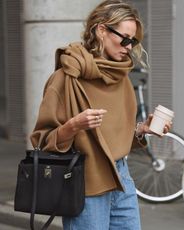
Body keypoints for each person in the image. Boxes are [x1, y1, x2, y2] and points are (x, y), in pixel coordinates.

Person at [30, 0, 171, 229]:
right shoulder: (66, 79)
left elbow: (111, 139)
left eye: (133, 41)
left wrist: (141, 130)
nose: (129, 46)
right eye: (125, 38)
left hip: (121, 178)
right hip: (86, 184)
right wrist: (74, 125)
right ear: (101, 30)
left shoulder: (121, 77)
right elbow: (43, 142)